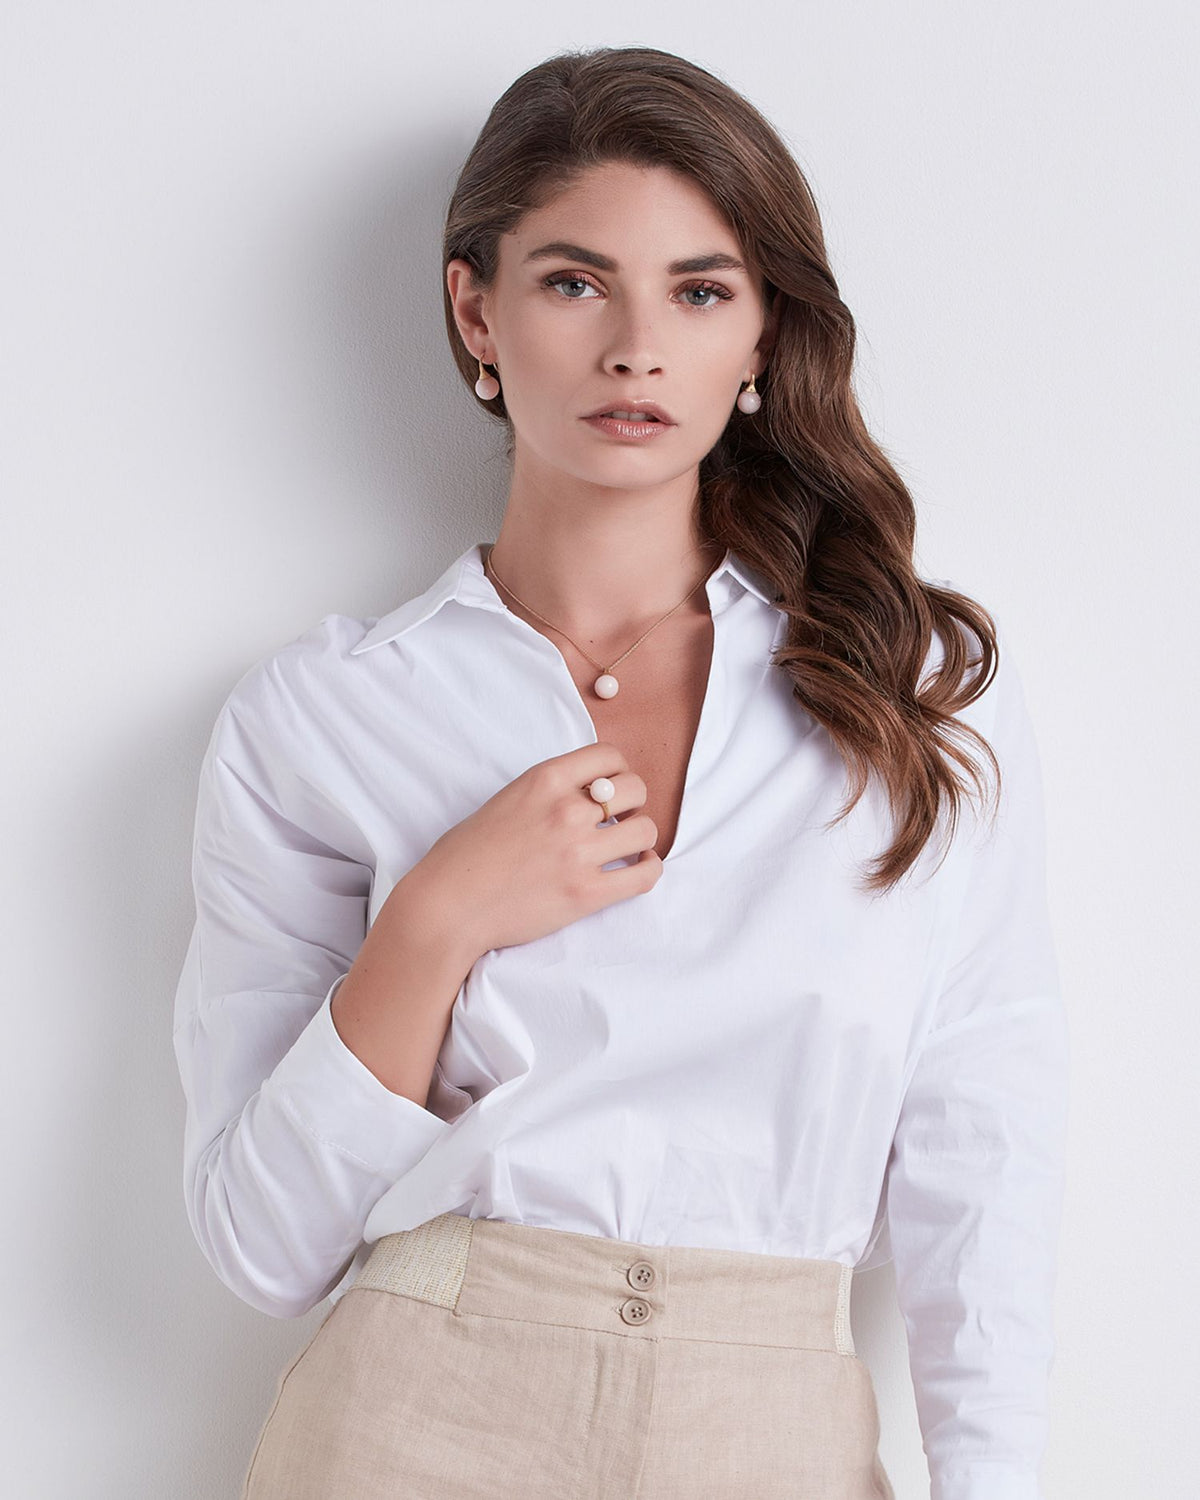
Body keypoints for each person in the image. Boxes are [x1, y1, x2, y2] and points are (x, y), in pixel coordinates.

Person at [172, 45, 1070, 1500]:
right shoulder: (327, 713)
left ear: (764, 334)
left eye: (700, 291)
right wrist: (437, 921)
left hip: (770, 1424)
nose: (637, 347)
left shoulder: (909, 684)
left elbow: (988, 1130)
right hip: (412, 1421)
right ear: (477, 309)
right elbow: (261, 1245)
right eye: (575, 282)